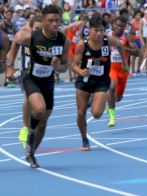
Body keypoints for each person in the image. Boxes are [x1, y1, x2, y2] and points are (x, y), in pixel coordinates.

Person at [8, 5, 70, 168]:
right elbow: (15, 42)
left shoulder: (63, 40)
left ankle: (31, 153)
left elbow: (65, 66)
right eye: (50, 21)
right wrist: (9, 67)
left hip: (48, 81)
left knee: (44, 121)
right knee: (39, 109)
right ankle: (30, 132)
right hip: (30, 78)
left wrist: (58, 66)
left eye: (57, 21)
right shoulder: (32, 36)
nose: (54, 24)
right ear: (43, 21)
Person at [72, 13, 127, 150]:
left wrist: (124, 63)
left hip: (101, 82)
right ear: (89, 29)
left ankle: (93, 101)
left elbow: (120, 45)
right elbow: (73, 65)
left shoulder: (108, 41)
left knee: (96, 114)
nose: (98, 33)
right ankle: (84, 139)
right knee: (81, 113)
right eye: (96, 30)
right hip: (84, 81)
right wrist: (80, 71)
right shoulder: (82, 45)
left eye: (101, 30)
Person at [6, 16, 43, 148]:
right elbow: (12, 50)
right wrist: (9, 67)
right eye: (36, 29)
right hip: (27, 73)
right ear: (31, 27)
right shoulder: (24, 35)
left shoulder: (49, 35)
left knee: (41, 107)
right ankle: (25, 127)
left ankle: (33, 130)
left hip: (43, 74)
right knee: (28, 97)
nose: (39, 32)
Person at [107, 16, 139, 127]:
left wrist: (125, 49)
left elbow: (137, 52)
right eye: (118, 25)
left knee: (118, 98)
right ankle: (112, 116)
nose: (120, 28)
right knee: (112, 86)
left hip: (123, 70)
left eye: (122, 26)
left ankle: (111, 104)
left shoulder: (127, 37)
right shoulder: (107, 37)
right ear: (112, 25)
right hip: (111, 68)